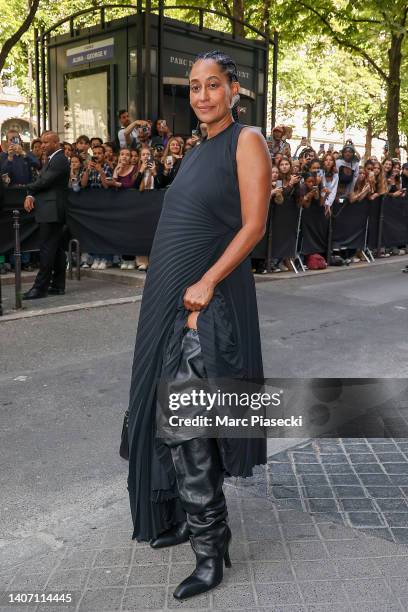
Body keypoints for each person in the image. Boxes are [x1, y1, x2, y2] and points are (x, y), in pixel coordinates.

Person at [125, 49, 271, 600]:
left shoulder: (246, 140)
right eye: (194, 87)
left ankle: (212, 549)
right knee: (174, 414)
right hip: (172, 297)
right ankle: (194, 519)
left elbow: (254, 225)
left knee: (187, 418)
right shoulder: (194, 150)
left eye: (214, 85)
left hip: (211, 301)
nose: (203, 95)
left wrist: (207, 282)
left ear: (234, 90)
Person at [22, 131, 70, 299]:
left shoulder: (60, 159)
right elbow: (44, 181)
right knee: (55, 249)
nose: (42, 145)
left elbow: (44, 181)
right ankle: (57, 285)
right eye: (41, 142)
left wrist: (27, 190)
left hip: (52, 211)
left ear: (56, 143)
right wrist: (31, 193)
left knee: (47, 250)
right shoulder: (53, 159)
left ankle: (40, 288)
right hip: (50, 210)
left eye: (46, 142)